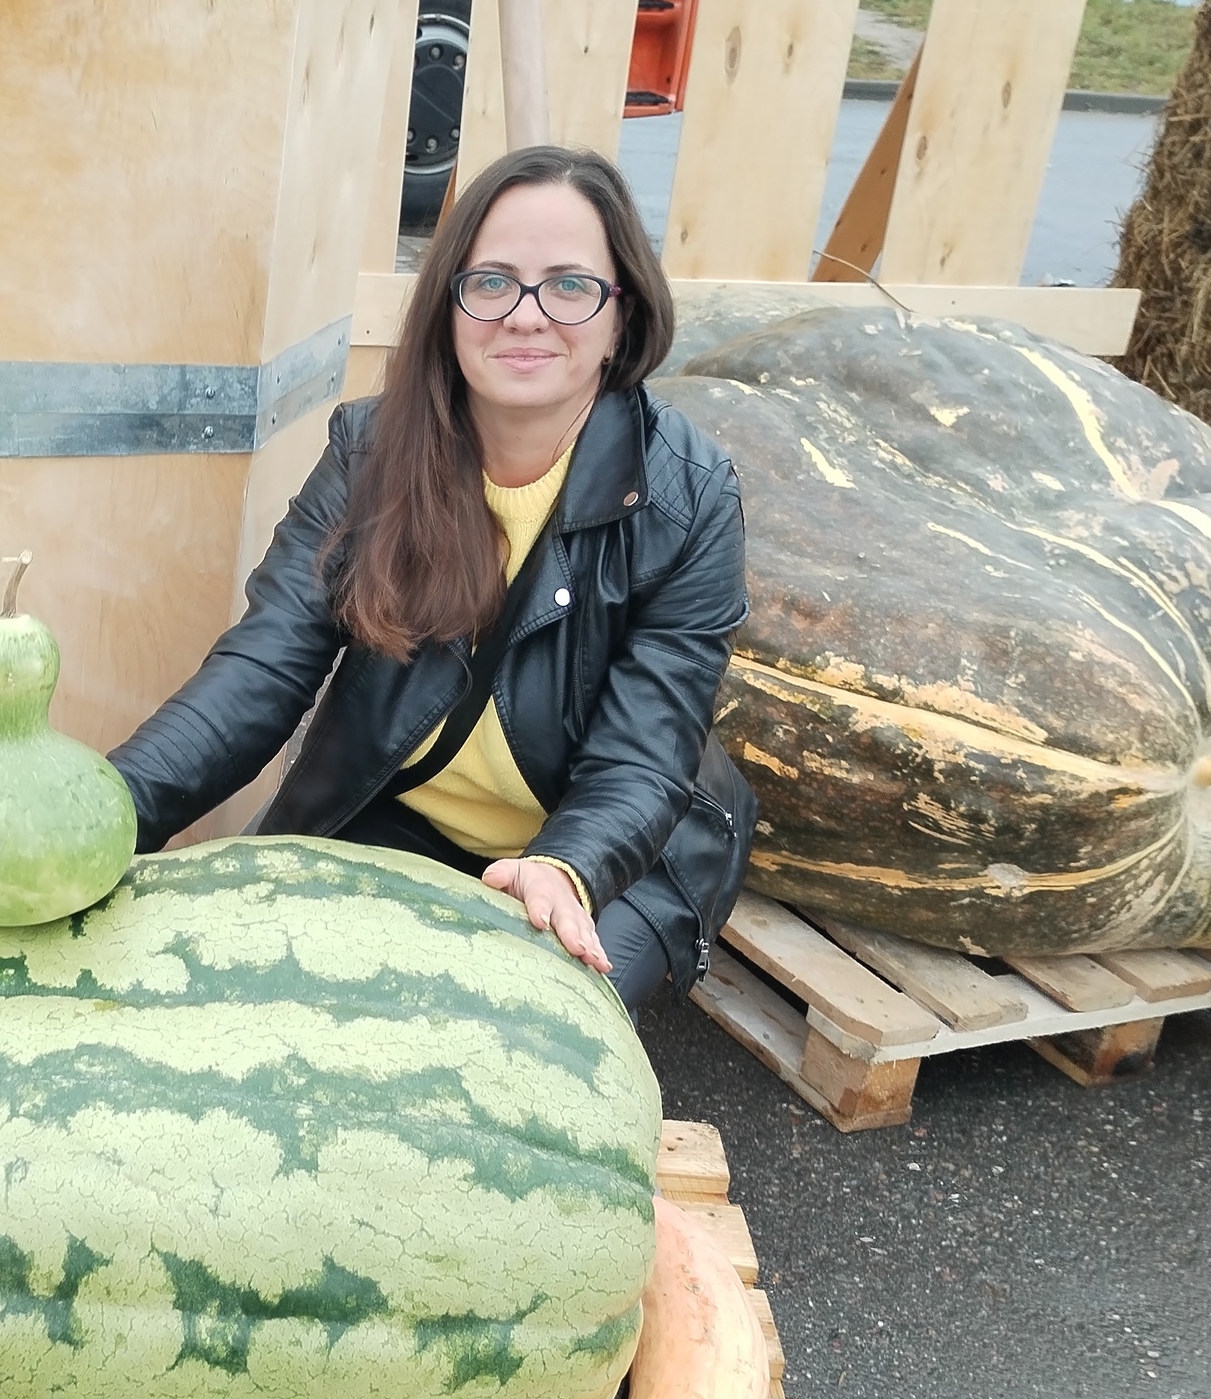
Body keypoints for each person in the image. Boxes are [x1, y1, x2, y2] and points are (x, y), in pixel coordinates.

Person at [109, 144, 755, 1012]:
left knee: (518, 1043)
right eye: (492, 282)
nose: (526, 316)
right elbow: (262, 668)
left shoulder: (689, 498)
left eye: (569, 286)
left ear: (621, 316)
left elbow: (644, 754)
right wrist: (110, 808)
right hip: (398, 811)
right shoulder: (369, 452)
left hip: (608, 851)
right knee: (251, 1004)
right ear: (448, 305)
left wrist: (570, 863)